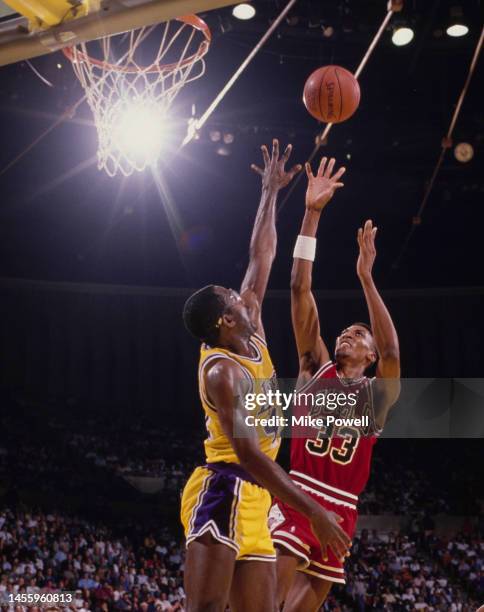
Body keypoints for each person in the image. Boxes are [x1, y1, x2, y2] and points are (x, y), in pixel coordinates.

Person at [180, 142, 351, 612]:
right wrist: (313, 511)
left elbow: (263, 253)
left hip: (257, 499)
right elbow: (251, 456)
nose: (240, 294)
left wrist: (270, 191)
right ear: (224, 322)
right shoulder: (221, 372)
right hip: (225, 487)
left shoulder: (248, 326)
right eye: (230, 297)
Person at [270, 156, 401, 611]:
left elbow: (393, 354)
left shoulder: (377, 398)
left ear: (368, 356)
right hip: (299, 491)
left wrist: (366, 277)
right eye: (346, 331)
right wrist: (312, 213)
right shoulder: (314, 366)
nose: (349, 332)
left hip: (345, 505)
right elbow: (299, 290)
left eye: (359, 334)